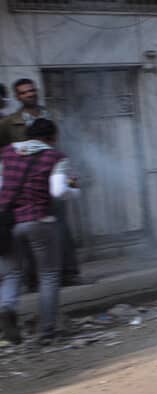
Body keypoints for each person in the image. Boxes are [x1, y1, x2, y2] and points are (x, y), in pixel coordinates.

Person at [0, 119, 80, 345]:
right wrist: (74, 186)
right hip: (40, 221)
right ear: (52, 138)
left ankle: (6, 308)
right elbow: (58, 191)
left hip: (7, 223)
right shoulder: (55, 157)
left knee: (12, 274)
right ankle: (46, 331)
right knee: (48, 275)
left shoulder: (6, 153)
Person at [0, 79, 85, 288]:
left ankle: (68, 273)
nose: (30, 94)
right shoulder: (9, 123)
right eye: (24, 92)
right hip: (27, 185)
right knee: (31, 232)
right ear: (17, 96)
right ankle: (35, 279)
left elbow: (66, 141)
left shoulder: (50, 115)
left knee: (62, 228)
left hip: (54, 175)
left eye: (32, 91)